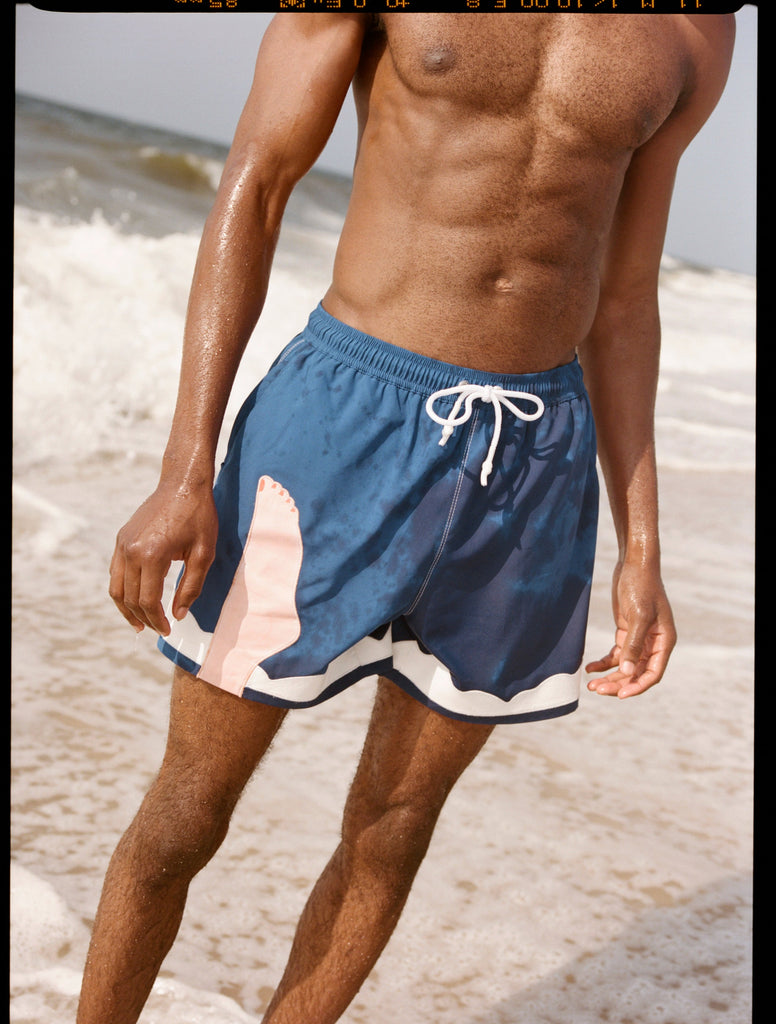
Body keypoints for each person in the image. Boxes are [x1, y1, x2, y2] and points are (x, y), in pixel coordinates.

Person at [76, 11, 736, 1024]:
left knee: (391, 828)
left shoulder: (693, 28)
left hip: (530, 461)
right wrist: (183, 469)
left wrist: (639, 544)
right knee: (185, 813)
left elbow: (623, 294)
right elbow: (255, 185)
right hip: (339, 420)